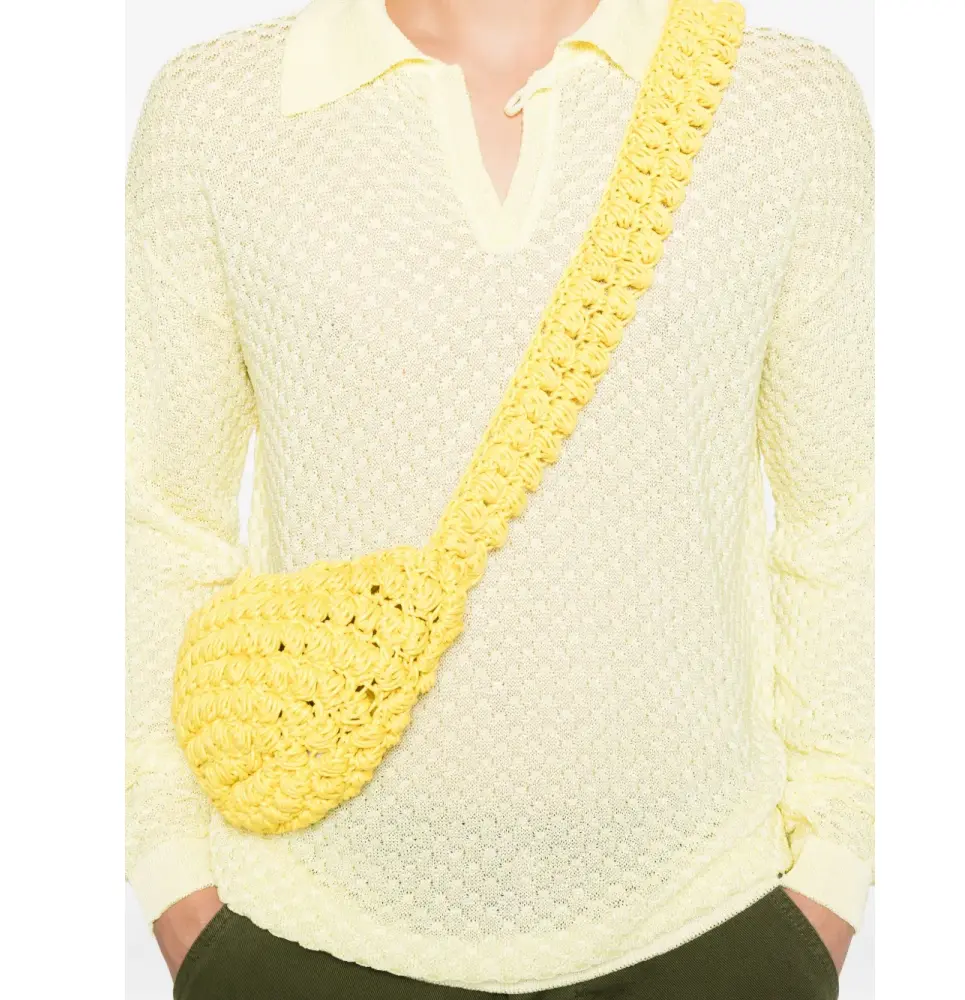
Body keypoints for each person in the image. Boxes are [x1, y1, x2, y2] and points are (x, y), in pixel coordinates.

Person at [124, 0, 874, 997]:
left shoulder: (782, 105)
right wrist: (171, 871)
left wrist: (834, 869)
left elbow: (849, 518)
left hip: (712, 921)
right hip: (294, 926)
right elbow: (156, 517)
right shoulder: (218, 112)